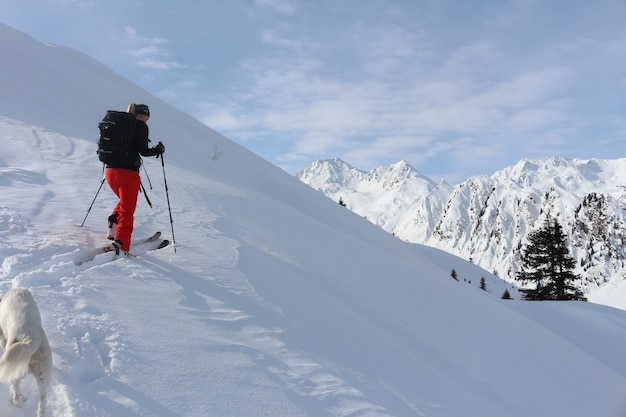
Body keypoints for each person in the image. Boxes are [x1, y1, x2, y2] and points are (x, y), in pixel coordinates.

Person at [105, 103, 165, 254]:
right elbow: (143, 151)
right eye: (144, 115)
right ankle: (121, 243)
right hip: (128, 174)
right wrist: (158, 150)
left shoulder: (121, 126)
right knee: (127, 210)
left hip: (110, 172)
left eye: (146, 116)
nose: (145, 119)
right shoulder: (141, 126)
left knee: (124, 203)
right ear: (139, 115)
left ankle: (113, 227)